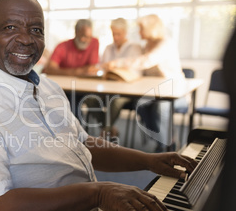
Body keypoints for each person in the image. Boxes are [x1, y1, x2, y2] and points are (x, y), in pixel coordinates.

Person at [0, 0, 196, 211]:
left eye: (36, 30)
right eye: (11, 27)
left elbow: (83, 144)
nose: (26, 39)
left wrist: (150, 161)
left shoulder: (48, 88)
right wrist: (99, 193)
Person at [104, 14, 186, 152]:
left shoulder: (166, 44)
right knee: (139, 104)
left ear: (151, 29)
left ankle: (167, 145)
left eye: (141, 29)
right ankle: (162, 138)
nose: (139, 32)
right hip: (154, 92)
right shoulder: (147, 45)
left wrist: (117, 63)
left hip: (175, 93)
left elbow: (145, 61)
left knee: (161, 106)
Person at [42, 19, 102, 123]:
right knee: (70, 102)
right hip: (65, 89)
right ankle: (75, 132)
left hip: (84, 88)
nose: (86, 40)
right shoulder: (62, 46)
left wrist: (76, 71)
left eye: (89, 37)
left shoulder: (94, 42)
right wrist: (77, 71)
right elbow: (50, 69)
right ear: (76, 32)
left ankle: (81, 131)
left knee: (91, 101)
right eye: (83, 36)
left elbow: (91, 69)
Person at [99, 18, 143, 137]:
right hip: (108, 89)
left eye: (118, 34)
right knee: (90, 99)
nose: (116, 37)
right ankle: (109, 128)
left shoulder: (135, 47)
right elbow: (103, 68)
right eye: (114, 34)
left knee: (115, 101)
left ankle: (104, 134)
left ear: (125, 32)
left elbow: (136, 73)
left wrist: (116, 69)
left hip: (127, 92)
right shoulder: (108, 48)